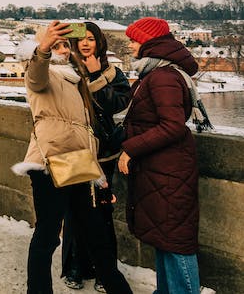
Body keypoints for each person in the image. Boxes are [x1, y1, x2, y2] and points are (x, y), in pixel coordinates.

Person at [11, 21, 131, 294]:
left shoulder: (75, 77)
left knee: (95, 233)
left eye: (65, 45)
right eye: (58, 46)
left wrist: (97, 175)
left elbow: (93, 122)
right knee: (47, 236)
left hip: (78, 161)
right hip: (50, 163)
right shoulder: (43, 70)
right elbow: (35, 77)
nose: (63, 50)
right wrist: (43, 47)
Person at [118, 18, 201, 294]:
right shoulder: (154, 74)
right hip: (160, 170)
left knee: (176, 242)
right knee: (166, 239)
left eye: (133, 39)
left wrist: (131, 148)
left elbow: (172, 125)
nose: (130, 43)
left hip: (169, 172)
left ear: (148, 41)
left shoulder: (163, 76)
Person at [61, 22, 131, 291]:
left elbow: (118, 104)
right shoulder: (66, 70)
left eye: (91, 39)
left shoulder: (113, 72)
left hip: (104, 153)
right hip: (74, 149)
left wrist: (96, 76)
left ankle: (105, 270)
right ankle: (77, 266)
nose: (86, 44)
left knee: (102, 211)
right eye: (82, 40)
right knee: (75, 210)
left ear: (99, 42)